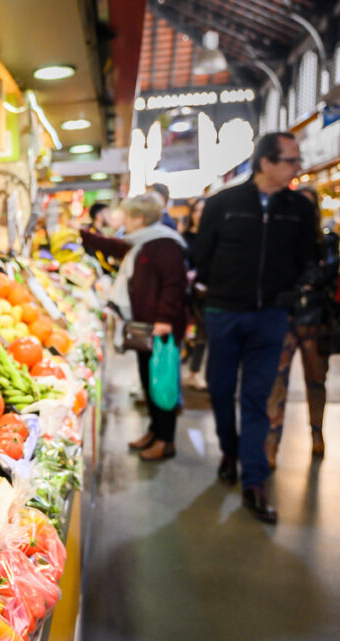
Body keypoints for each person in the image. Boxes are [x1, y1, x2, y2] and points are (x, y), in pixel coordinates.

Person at [191, 132, 319, 524]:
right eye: (291, 160)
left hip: (270, 317)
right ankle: (229, 452)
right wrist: (222, 290)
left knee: (258, 398)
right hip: (225, 312)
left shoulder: (299, 208)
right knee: (221, 388)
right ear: (266, 162)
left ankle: (254, 482)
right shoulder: (223, 203)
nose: (298, 167)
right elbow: (202, 256)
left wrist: (291, 290)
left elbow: (307, 256)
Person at [90, 194, 188, 460]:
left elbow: (174, 285)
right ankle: (155, 431)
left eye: (128, 216)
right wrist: (79, 236)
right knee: (148, 381)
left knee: (162, 383)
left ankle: (165, 440)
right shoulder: (142, 243)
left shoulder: (165, 244)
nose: (123, 221)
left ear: (140, 218)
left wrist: (164, 321)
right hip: (145, 326)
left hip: (160, 329)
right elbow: (112, 246)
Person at [265, 186, 337, 466]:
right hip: (283, 317)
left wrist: (303, 281)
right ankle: (271, 443)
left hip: (314, 319)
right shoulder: (276, 238)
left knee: (316, 379)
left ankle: (316, 433)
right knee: (277, 381)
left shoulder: (326, 240)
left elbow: (326, 271)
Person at [182, 198, 207, 390]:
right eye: (196, 210)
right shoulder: (183, 238)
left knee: (201, 335)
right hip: (185, 295)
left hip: (205, 295)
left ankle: (194, 373)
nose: (199, 214)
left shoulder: (212, 236)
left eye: (203, 210)